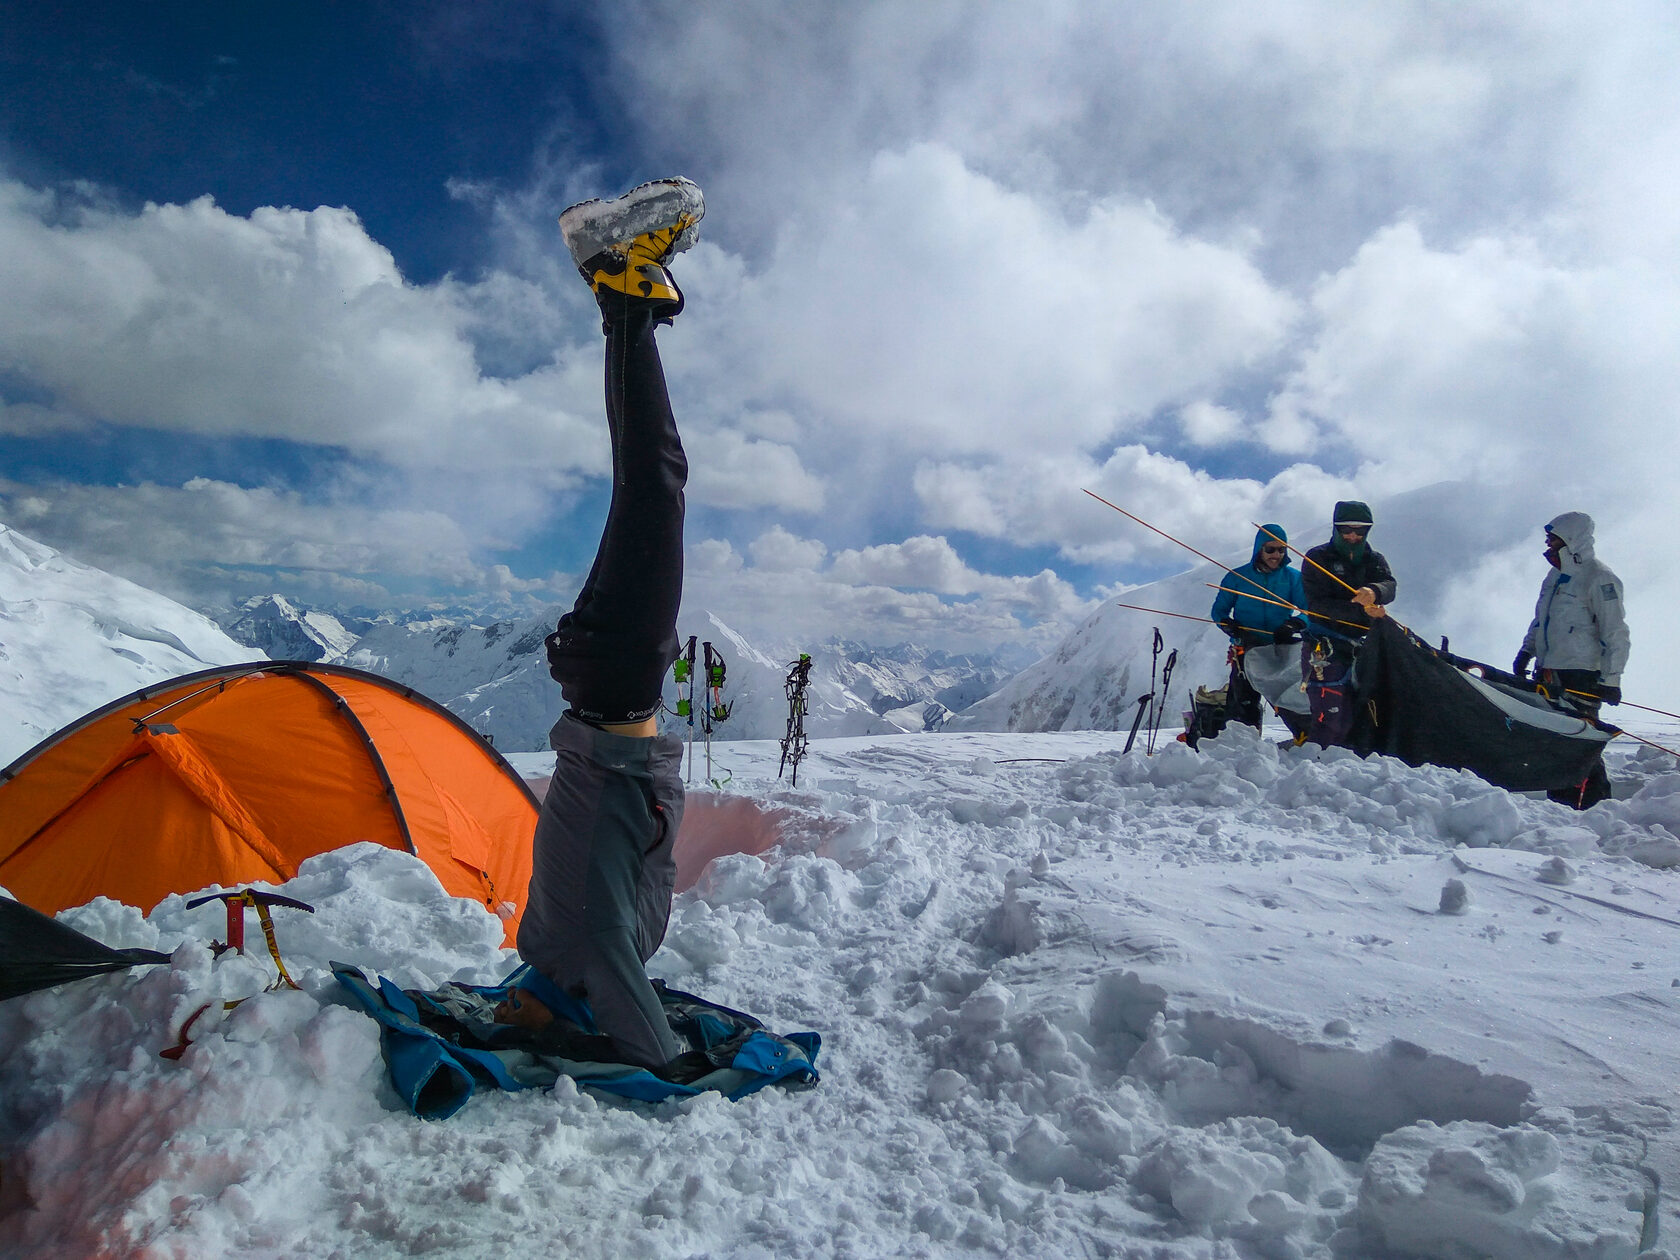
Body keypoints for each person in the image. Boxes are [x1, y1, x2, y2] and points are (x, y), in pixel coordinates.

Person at [515, 177, 705, 1069]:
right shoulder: (558, 954)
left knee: (654, 485)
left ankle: (620, 288)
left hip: (619, 684)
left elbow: (639, 1028)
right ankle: (623, 296)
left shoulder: (582, 954)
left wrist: (670, 1064)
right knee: (652, 486)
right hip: (610, 688)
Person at [1512, 512, 1628, 809]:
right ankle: (1560, 805)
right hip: (1549, 670)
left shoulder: (1599, 577)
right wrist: (1528, 651)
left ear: (1572, 540)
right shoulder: (1554, 577)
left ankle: (1596, 806)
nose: (1548, 545)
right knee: (1554, 739)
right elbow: (1542, 619)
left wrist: (1611, 680)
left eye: (1554, 539)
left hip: (1581, 674)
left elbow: (1615, 632)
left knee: (1579, 740)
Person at [1297, 501, 1397, 748]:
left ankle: (1354, 770)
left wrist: (1374, 591)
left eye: (1360, 530)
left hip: (1364, 645)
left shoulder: (1374, 559)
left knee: (1366, 710)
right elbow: (1316, 604)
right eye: (1347, 530)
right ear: (1336, 528)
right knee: (1331, 715)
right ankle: (1321, 767)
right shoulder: (1318, 558)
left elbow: (1389, 584)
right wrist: (1361, 609)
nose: (1353, 535)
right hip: (1325, 644)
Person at [1209, 524, 1310, 736]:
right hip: (1245, 646)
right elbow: (1219, 611)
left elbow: (1309, 610)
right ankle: (1244, 745)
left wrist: (1295, 624)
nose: (1276, 555)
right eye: (1270, 549)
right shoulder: (1237, 577)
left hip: (1279, 647)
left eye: (1281, 549)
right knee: (1243, 701)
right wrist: (1229, 626)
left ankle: (1304, 738)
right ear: (1259, 549)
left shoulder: (1293, 578)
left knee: (1288, 696)